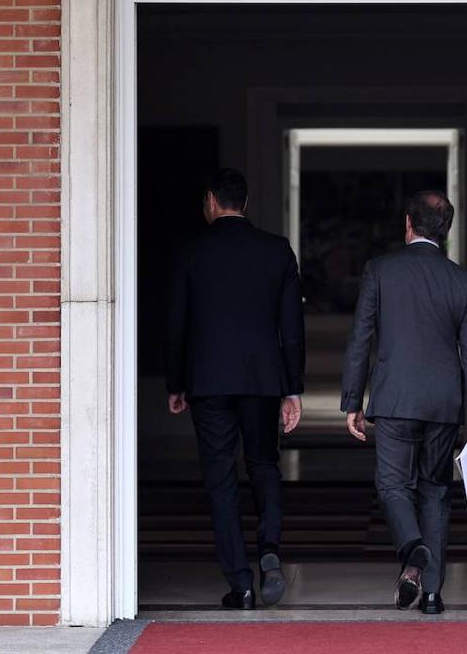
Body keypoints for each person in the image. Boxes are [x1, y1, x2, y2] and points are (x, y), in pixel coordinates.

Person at [341, 190, 467, 615]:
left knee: (392, 485)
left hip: (393, 400)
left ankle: (412, 549)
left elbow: (361, 340)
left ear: (408, 225)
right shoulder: (462, 281)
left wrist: (353, 401)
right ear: (445, 232)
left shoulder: (380, 271)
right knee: (435, 492)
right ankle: (431, 595)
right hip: (443, 405)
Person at [165, 168, 305, 610]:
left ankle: (241, 584)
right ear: (244, 203)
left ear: (211, 201)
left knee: (221, 479)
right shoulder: (276, 251)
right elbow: (293, 328)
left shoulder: (192, 252)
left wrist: (176, 382)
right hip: (262, 381)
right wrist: (293, 389)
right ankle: (269, 550)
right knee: (264, 465)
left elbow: (177, 324)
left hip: (208, 383)